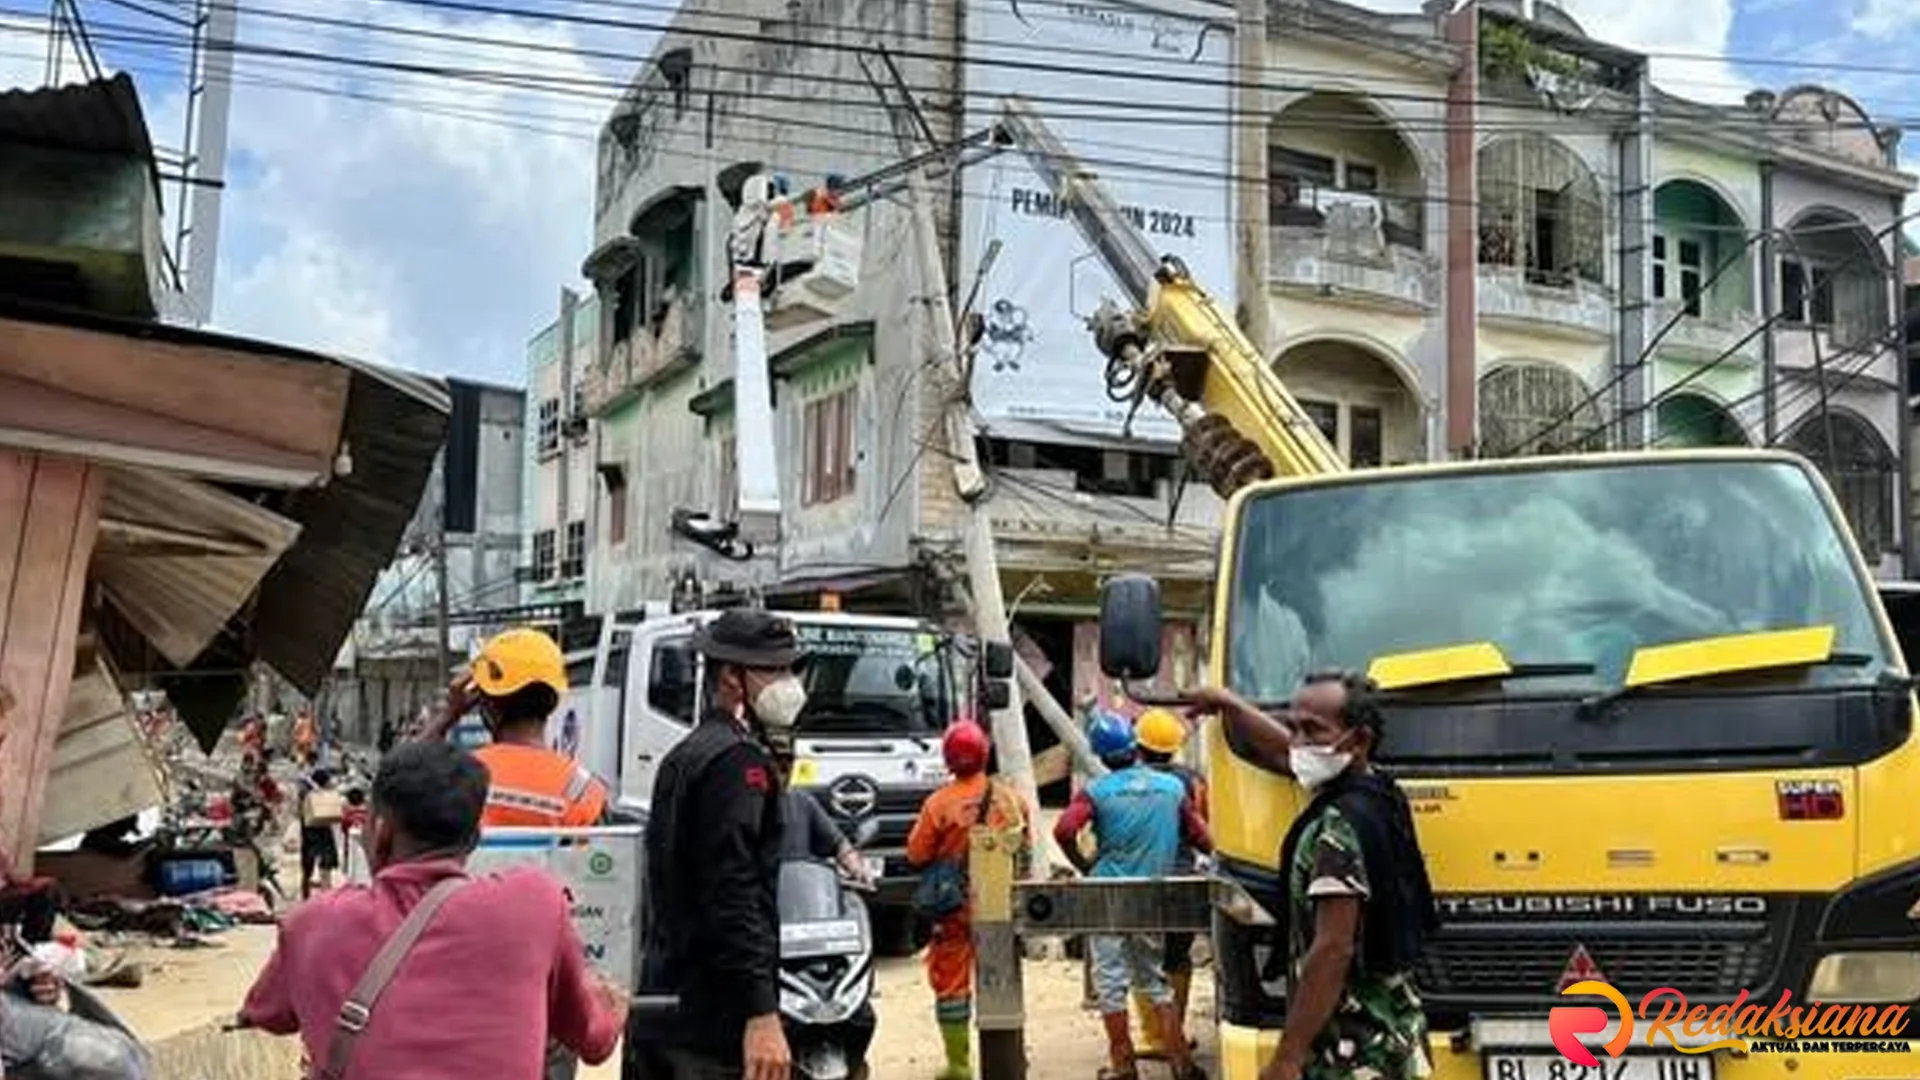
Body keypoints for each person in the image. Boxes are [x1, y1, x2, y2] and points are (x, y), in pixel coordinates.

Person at [238, 741, 628, 1077]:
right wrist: (612, 1002)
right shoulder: (534, 903)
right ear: (474, 837)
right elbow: (595, 1040)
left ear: (382, 830)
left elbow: (265, 1011)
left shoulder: (313, 923)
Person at [1189, 673, 1437, 1080]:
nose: (1298, 743)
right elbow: (1290, 755)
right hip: (1395, 1031)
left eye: (1312, 731)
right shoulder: (1378, 793)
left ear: (1359, 740)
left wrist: (1288, 1055)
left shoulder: (1338, 827)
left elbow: (1333, 949)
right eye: (1294, 728)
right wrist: (1229, 704)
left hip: (1356, 1052)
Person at [636, 609, 805, 1080]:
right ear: (732, 676)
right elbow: (732, 890)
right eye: (773, 669)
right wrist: (761, 1012)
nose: (788, 682)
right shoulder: (737, 762)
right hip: (713, 1020)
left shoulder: (687, 753)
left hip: (667, 1000)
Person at [1053, 711, 1209, 1080]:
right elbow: (1203, 838)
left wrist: (1085, 864)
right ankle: (1181, 1064)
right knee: (1153, 978)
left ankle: (1124, 1066)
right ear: (1132, 748)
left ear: (1102, 754)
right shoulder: (1172, 790)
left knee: (1110, 983)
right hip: (1152, 894)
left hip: (1107, 893)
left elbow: (1063, 830)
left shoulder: (1096, 791)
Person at [904, 720, 1029, 1080]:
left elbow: (916, 853)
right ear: (984, 754)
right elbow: (1025, 845)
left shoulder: (938, 804)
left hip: (954, 908)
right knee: (1002, 980)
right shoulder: (1010, 798)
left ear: (948, 758)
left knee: (951, 982)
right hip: (1001, 905)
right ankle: (1008, 1062)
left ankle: (959, 1066)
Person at [422, 627, 609, 829]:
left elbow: (398, 785)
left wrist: (446, 718)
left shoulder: (454, 776)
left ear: (489, 707)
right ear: (553, 702)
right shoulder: (584, 790)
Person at [1132, 707, 1208, 1058]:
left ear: (1139, 746)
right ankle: (1174, 1032)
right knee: (1178, 956)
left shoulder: (1128, 782)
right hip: (1182, 875)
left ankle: (1153, 1037)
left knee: (1145, 958)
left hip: (1142, 877)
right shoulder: (1192, 781)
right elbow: (1202, 829)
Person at [299, 768, 345, 898]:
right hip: (320, 834)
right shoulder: (317, 796)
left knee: (309, 868)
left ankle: (307, 896)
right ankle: (324, 895)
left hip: (309, 835)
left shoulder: (307, 794)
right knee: (324, 867)